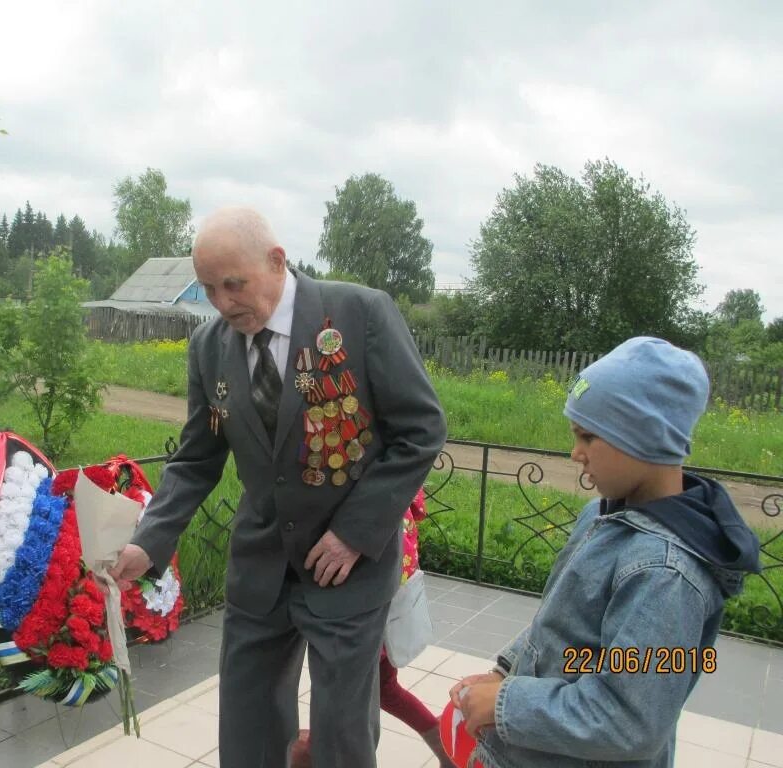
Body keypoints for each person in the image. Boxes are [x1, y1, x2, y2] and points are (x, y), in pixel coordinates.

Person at [111, 206, 446, 768]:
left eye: (233, 285)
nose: (222, 303)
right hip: (261, 564)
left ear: (275, 261)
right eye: (209, 289)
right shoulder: (210, 347)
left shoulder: (359, 315)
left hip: (347, 568)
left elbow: (421, 430)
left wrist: (354, 534)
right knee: (248, 723)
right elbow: (197, 458)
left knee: (342, 731)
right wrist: (151, 541)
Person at [443, 336, 761, 768]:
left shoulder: (667, 574)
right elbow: (558, 626)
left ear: (645, 438)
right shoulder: (602, 513)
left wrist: (506, 702)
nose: (575, 453)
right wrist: (505, 672)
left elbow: (629, 721)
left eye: (587, 436)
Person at [290, 488, 449, 768]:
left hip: (368, 601)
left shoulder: (373, 486)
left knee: (348, 679)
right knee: (380, 686)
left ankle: (316, 749)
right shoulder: (397, 481)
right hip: (384, 592)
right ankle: (441, 742)